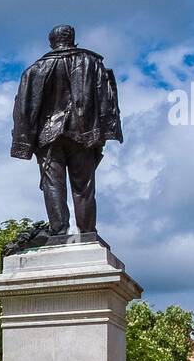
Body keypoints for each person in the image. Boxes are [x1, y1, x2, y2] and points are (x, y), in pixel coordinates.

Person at [10, 24, 122, 237]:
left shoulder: (33, 70)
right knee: (84, 185)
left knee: (53, 185)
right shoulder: (92, 64)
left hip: (47, 136)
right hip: (83, 134)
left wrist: (25, 143)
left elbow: (22, 109)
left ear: (52, 43)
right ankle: (88, 232)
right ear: (72, 40)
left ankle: (59, 232)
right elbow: (106, 101)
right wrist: (103, 135)